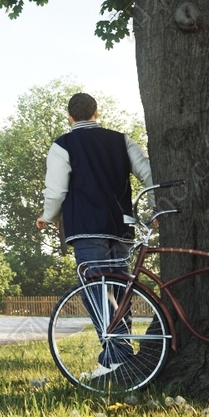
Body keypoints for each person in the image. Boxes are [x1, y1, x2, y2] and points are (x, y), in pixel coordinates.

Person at [36, 92, 152, 379]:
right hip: (122, 227)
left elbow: (57, 190)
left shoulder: (63, 145)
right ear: (96, 112)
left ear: (70, 116)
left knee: (97, 291)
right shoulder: (121, 140)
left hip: (87, 228)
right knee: (120, 292)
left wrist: (47, 216)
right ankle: (120, 353)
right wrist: (155, 209)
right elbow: (149, 174)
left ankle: (117, 356)